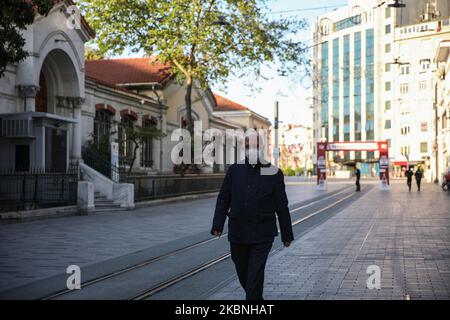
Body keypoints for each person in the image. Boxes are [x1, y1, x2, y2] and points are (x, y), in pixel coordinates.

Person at [211, 135, 293, 300]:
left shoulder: (275, 172)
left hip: (262, 233)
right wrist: (218, 224)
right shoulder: (235, 170)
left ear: (262, 148)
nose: (251, 148)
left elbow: (282, 206)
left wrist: (287, 234)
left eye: (255, 145)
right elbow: (224, 198)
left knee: (255, 273)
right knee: (243, 271)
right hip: (238, 232)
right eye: (248, 145)